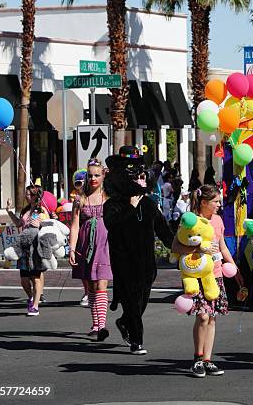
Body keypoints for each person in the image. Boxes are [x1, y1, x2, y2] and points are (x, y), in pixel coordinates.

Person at [103, 146, 174, 354]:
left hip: (146, 263)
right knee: (132, 300)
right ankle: (137, 341)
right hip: (124, 260)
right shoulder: (113, 204)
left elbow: (164, 231)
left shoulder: (149, 204)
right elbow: (112, 225)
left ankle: (125, 322)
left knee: (141, 300)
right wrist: (130, 207)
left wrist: (179, 247)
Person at [171, 184, 242, 378]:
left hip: (216, 274)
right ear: (204, 203)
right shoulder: (190, 220)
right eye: (216, 201)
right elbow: (176, 245)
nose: (219, 204)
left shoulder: (218, 220)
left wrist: (234, 267)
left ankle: (208, 360)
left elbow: (222, 247)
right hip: (196, 274)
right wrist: (198, 250)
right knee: (202, 316)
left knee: (211, 317)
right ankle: (198, 358)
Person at [68, 159, 112, 341]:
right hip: (86, 245)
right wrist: (71, 249)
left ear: (103, 175)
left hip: (106, 245)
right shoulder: (80, 198)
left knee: (101, 284)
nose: (93, 178)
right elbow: (75, 226)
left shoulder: (109, 197)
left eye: (97, 175)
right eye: (90, 175)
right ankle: (95, 323)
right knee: (91, 285)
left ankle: (102, 325)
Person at [5, 185, 49, 316]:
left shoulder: (42, 210)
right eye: (26, 193)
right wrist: (9, 211)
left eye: (28, 194)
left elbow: (48, 225)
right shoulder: (26, 210)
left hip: (35, 246)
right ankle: (32, 296)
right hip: (23, 245)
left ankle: (35, 305)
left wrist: (40, 224)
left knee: (36, 277)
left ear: (36, 196)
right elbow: (19, 223)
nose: (26, 196)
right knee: (24, 280)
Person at [71, 169, 90, 307]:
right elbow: (74, 224)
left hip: (98, 237)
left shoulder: (98, 196)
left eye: (84, 182)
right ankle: (87, 292)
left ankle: (96, 293)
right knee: (82, 268)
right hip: (82, 238)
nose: (81, 185)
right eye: (78, 183)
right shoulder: (77, 201)